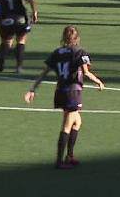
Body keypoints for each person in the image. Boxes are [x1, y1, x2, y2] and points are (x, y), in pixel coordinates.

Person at [24, 26, 105, 170]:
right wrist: (98, 81)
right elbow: (85, 72)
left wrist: (33, 88)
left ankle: (69, 156)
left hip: (61, 91)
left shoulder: (57, 52)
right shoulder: (80, 52)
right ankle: (59, 161)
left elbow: (44, 72)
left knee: (77, 122)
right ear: (77, 38)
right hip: (73, 92)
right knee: (67, 125)